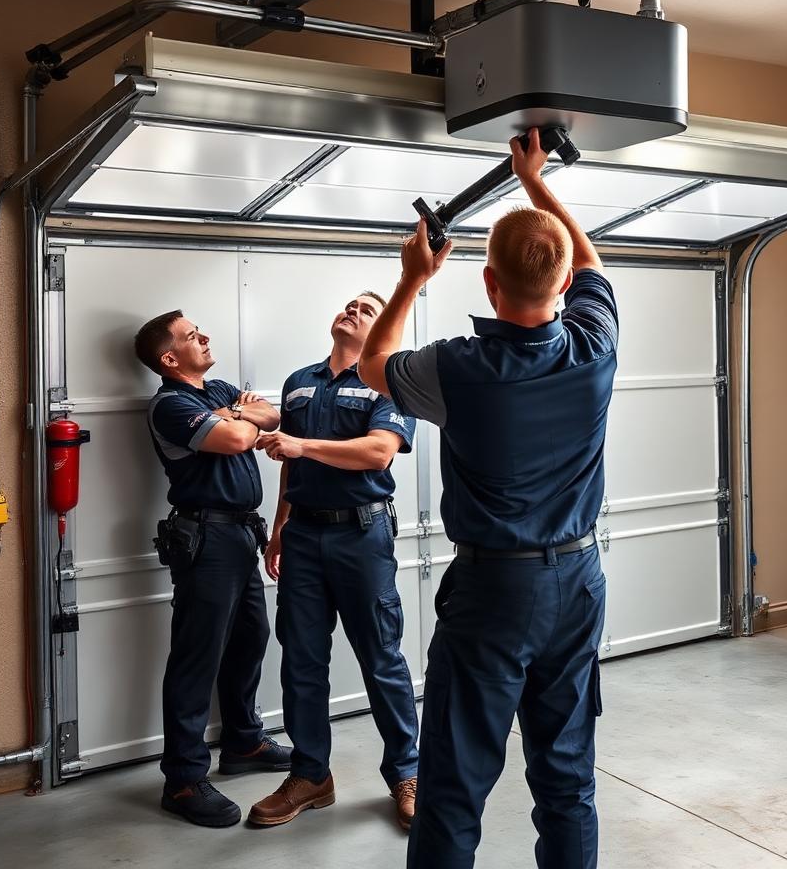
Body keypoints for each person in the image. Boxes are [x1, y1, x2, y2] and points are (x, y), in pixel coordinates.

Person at [359, 127, 618, 869]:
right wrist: (534, 180)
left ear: (488, 284)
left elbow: (374, 363)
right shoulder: (595, 346)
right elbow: (589, 261)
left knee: (453, 784)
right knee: (567, 776)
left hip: (494, 591)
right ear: (563, 287)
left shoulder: (458, 369)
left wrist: (412, 278)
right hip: (579, 580)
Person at [247, 292, 420, 832]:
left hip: (361, 535)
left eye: (366, 310)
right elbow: (287, 461)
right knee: (301, 659)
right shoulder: (300, 381)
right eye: (349, 304)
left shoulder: (390, 383)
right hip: (302, 536)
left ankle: (408, 773)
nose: (352, 311)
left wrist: (302, 446)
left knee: (381, 658)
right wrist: (280, 527)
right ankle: (310, 775)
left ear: (380, 328)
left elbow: (378, 452)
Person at [134, 310, 293, 829]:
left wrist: (236, 412)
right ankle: (182, 780)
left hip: (242, 533)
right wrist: (240, 421)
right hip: (205, 537)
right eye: (191, 335)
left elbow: (272, 416)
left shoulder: (219, 389)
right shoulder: (170, 405)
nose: (203, 337)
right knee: (196, 655)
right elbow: (239, 440)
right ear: (169, 357)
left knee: (251, 636)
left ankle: (244, 743)